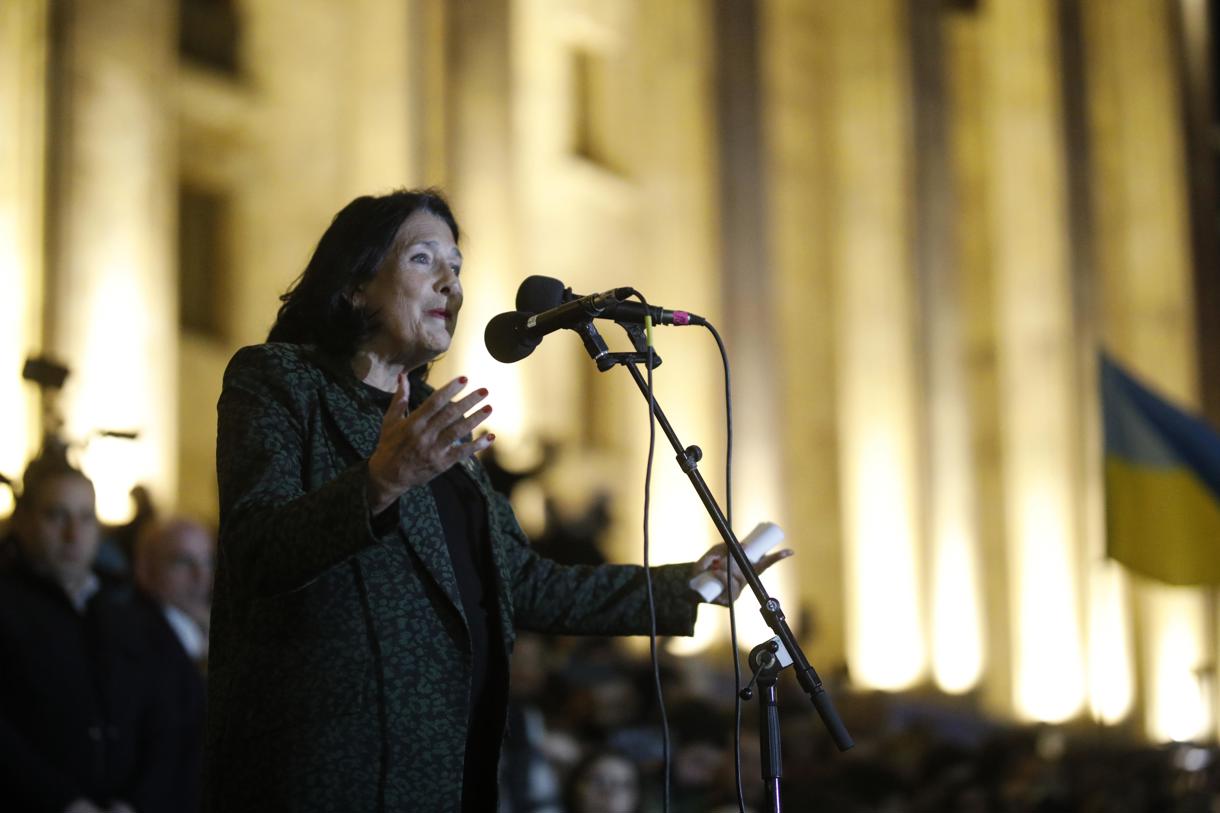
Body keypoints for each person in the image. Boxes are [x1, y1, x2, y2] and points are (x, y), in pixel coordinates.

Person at [203, 188, 792, 812]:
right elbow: (255, 551)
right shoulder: (280, 381)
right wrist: (381, 481)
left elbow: (526, 583)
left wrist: (691, 586)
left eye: (457, 269)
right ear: (355, 285)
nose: (451, 287)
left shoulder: (439, 434)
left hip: (447, 774)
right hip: (325, 773)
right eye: (424, 260)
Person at [0, 448, 194, 813]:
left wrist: (135, 802)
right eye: (57, 516)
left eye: (86, 518)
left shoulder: (131, 612)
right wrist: (63, 802)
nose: (73, 533)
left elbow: (170, 717)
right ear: (24, 521)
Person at [133, 516, 215, 665]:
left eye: (207, 561)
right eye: (183, 561)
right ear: (145, 569)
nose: (201, 575)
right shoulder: (134, 636)